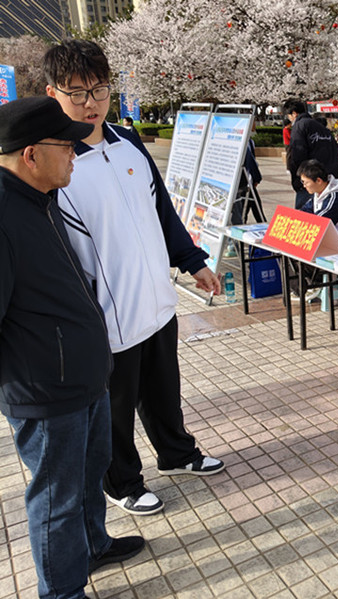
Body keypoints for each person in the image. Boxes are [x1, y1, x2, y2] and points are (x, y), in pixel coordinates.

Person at [44, 39, 224, 516]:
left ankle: (177, 453)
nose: (90, 103)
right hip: (107, 315)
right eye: (76, 92)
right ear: (52, 94)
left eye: (99, 90)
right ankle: (120, 480)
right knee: (116, 407)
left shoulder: (128, 142)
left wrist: (194, 261)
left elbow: (161, 209)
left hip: (157, 299)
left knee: (165, 389)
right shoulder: (53, 162)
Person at [0, 96, 145, 598]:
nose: (77, 154)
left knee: (90, 473)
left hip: (85, 375)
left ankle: (92, 545)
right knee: (56, 497)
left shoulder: (42, 197)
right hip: (45, 391)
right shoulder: (3, 215)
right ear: (31, 155)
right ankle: (61, 591)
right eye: (67, 146)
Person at [291, 159, 338, 301]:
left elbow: (318, 224)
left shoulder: (334, 198)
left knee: (296, 250)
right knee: (285, 250)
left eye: (305, 182)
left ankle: (314, 285)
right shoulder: (317, 195)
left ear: (319, 181)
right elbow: (304, 212)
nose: (304, 186)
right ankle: (302, 288)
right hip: (326, 242)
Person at [283, 98, 338, 209]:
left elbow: (297, 154)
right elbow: (336, 151)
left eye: (289, 115)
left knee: (305, 217)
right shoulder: (320, 127)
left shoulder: (299, 126)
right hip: (328, 179)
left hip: (310, 179)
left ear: (294, 113)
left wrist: (298, 181)